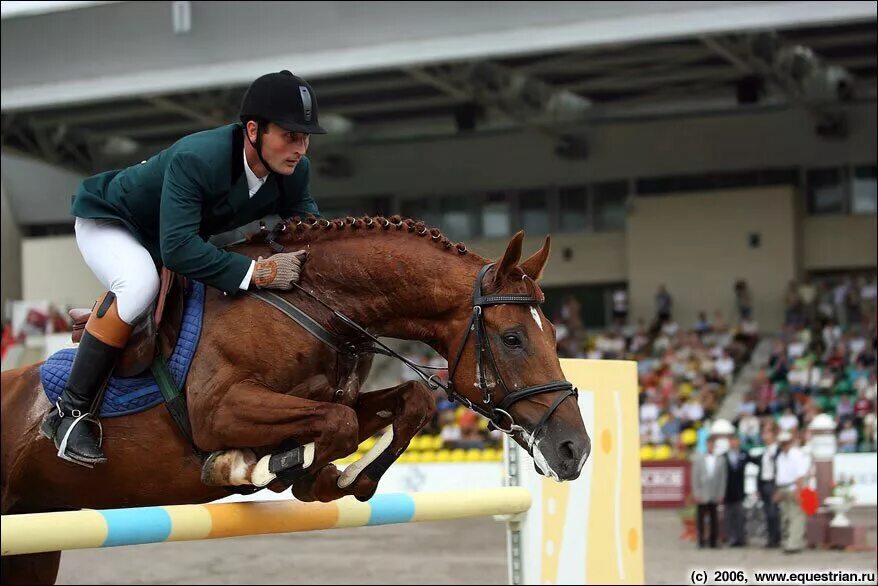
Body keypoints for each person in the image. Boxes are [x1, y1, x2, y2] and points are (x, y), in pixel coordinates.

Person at [42, 70, 327, 468]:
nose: (300, 148)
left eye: (306, 137)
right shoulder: (200, 157)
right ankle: (69, 414)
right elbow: (178, 249)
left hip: (167, 238)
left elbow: (309, 232)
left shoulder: (295, 171)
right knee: (139, 284)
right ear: (252, 130)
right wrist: (257, 272)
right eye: (290, 135)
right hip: (114, 223)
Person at [773, 430, 810, 554]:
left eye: (786, 443)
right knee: (786, 516)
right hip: (783, 487)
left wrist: (798, 491)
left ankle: (794, 544)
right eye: (782, 443)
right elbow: (779, 475)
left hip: (794, 486)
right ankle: (788, 541)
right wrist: (778, 491)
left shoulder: (796, 454)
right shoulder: (780, 456)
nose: (784, 445)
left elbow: (800, 474)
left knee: (796, 516)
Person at [748, 425, 782, 548]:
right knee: (767, 512)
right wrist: (758, 487)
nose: (764, 436)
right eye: (764, 434)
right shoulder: (764, 452)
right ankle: (771, 538)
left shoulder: (778, 451)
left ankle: (776, 538)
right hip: (764, 484)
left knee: (774, 512)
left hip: (773, 483)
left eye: (767, 433)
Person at [691, 436, 727, 548]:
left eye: (713, 444)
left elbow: (722, 478)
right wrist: (696, 493)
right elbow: (695, 477)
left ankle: (713, 540)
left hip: (714, 492)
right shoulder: (699, 459)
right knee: (701, 517)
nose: (711, 446)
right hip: (703, 493)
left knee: (714, 517)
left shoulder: (720, 460)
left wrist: (721, 493)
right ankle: (701, 540)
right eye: (709, 444)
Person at [723, 435, 748, 547]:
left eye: (735, 441)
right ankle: (732, 537)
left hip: (740, 490)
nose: (733, 443)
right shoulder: (724, 456)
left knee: (740, 515)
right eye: (731, 441)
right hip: (727, 491)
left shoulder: (744, 454)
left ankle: (741, 538)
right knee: (729, 516)